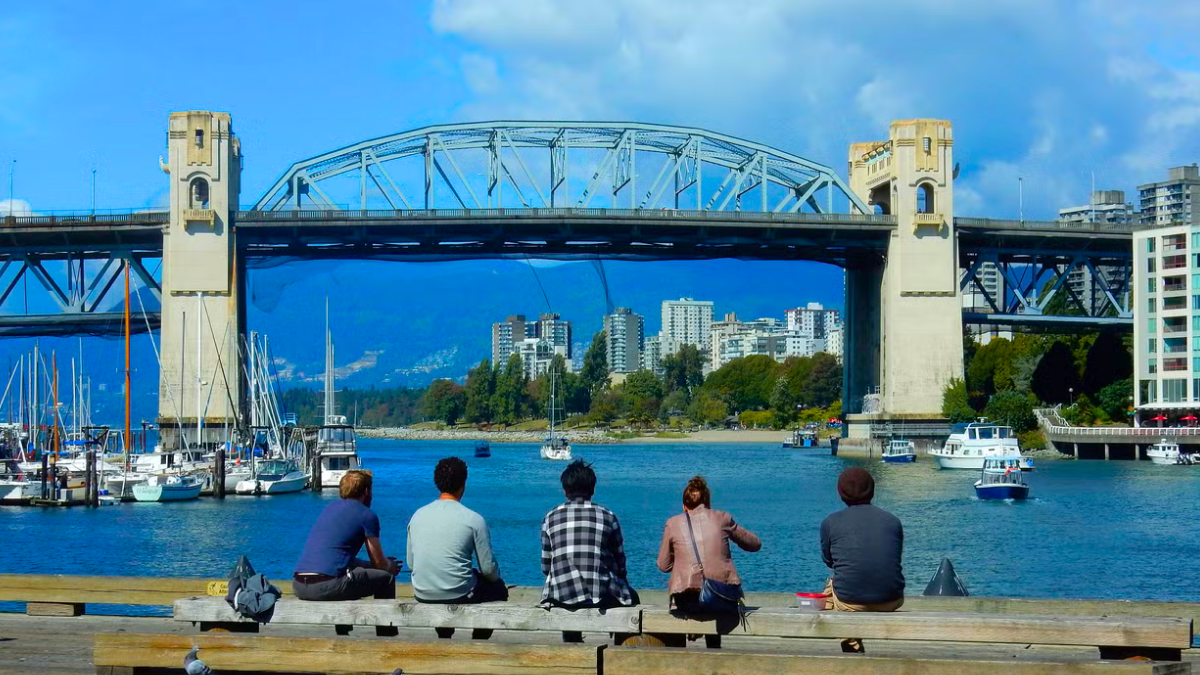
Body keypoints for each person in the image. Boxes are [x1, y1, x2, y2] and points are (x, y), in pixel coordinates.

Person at [820, 466, 905, 653]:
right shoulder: (893, 521)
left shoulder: (830, 522)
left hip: (850, 600)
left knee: (830, 588)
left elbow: (829, 561)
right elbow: (893, 558)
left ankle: (852, 646)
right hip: (892, 598)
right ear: (872, 491)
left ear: (841, 493)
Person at [540, 459, 639, 611]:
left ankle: (572, 636)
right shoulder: (608, 516)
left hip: (560, 594)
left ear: (565, 491)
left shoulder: (550, 517)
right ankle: (621, 634)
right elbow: (620, 562)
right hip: (600, 594)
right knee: (633, 597)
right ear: (592, 490)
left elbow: (546, 566)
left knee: (567, 603)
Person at [407, 457, 507, 604]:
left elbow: (411, 563)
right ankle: (479, 628)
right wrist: (497, 576)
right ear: (463, 483)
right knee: (499, 589)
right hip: (459, 593)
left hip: (422, 592)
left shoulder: (417, 516)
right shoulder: (473, 519)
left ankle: (444, 628)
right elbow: (488, 570)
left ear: (437, 482)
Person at [657, 475, 761, 614]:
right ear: (708, 503)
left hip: (685, 598)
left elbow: (663, 566)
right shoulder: (723, 518)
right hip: (721, 594)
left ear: (684, 506)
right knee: (716, 607)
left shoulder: (672, 523)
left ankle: (692, 633)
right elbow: (755, 545)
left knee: (690, 608)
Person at [293, 470, 399, 602]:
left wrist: (368, 565)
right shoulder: (367, 515)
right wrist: (390, 566)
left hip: (299, 585)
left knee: (352, 575)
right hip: (326, 585)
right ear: (366, 491)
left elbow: (341, 559)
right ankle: (385, 622)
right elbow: (380, 563)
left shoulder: (329, 509)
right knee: (386, 578)